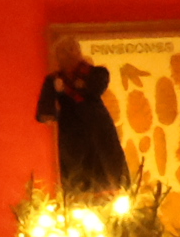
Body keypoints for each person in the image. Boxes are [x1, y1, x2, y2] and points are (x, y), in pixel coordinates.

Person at [37, 37, 130, 197]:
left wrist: (72, 88)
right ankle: (79, 200)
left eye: (72, 49)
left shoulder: (96, 73)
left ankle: (115, 195)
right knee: (76, 170)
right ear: (57, 56)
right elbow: (46, 105)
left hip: (97, 126)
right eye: (63, 52)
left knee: (106, 164)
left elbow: (94, 88)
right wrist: (48, 113)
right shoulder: (53, 80)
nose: (69, 55)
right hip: (71, 131)